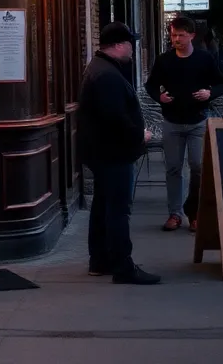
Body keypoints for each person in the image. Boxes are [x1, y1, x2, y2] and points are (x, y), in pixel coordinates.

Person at [77, 22, 160, 285]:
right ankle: (123, 266)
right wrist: (140, 135)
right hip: (113, 153)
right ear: (118, 45)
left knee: (103, 205)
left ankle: (99, 260)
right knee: (118, 209)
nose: (133, 49)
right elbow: (114, 117)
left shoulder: (101, 69)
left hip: (103, 152)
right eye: (130, 43)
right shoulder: (107, 75)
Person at [144, 16, 223, 233]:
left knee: (198, 167)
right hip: (172, 122)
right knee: (173, 168)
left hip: (198, 120)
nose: (177, 39)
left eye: (181, 35)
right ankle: (174, 213)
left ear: (191, 35)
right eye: (174, 35)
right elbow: (151, 85)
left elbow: (222, 82)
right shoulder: (165, 60)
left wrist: (210, 93)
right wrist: (159, 97)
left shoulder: (204, 59)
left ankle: (195, 213)